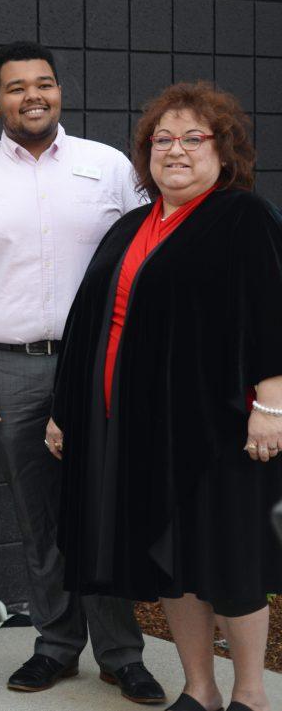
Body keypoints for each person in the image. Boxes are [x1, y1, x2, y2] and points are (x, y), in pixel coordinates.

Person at [0, 41, 164, 702]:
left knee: (106, 507)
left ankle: (123, 653)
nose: (33, 96)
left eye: (45, 84)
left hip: (101, 365)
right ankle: (57, 644)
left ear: (59, 91)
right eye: (17, 87)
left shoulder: (110, 166)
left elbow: (149, 251)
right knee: (38, 518)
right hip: (10, 371)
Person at [50, 82, 282, 711]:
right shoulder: (132, 224)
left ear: (224, 151)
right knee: (173, 563)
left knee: (229, 562)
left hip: (218, 429)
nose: (174, 150)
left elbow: (270, 315)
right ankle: (200, 690)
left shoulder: (243, 216)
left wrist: (271, 404)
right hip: (143, 427)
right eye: (162, 140)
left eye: (193, 138)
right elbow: (92, 322)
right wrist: (66, 411)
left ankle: (253, 695)